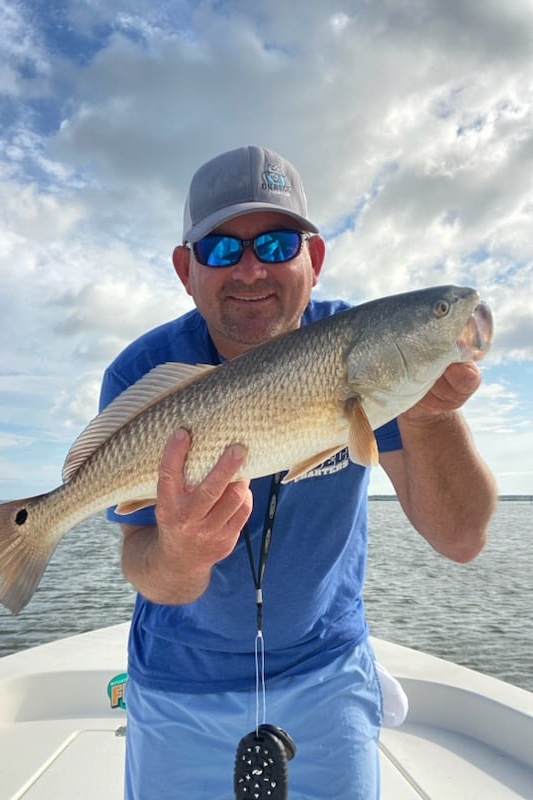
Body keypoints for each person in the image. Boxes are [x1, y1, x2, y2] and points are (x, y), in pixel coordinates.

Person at [99, 145, 496, 799]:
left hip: (328, 670)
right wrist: (179, 554)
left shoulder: (369, 350)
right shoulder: (141, 375)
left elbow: (461, 539)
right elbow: (148, 569)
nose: (251, 268)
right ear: (185, 268)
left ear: (312, 259)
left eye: (278, 243)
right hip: (178, 679)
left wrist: (427, 416)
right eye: (222, 249)